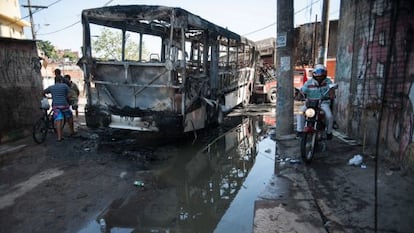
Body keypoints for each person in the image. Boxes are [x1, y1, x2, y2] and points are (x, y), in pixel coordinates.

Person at [296, 64, 335, 140]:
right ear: (314, 74)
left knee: (329, 116)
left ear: (325, 73)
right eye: (317, 73)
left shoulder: (328, 81)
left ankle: (329, 132)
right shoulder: (308, 83)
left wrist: (331, 94)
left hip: (323, 103)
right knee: (300, 112)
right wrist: (299, 96)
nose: (319, 76)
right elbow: (302, 91)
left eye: (321, 73)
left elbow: (331, 90)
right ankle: (299, 131)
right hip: (310, 103)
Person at [43, 77, 76, 141]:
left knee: (58, 120)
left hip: (56, 106)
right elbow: (69, 94)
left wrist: (47, 97)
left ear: (55, 81)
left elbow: (43, 92)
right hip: (64, 105)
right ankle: (72, 132)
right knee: (69, 117)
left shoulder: (51, 87)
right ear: (61, 80)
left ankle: (59, 137)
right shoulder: (65, 86)